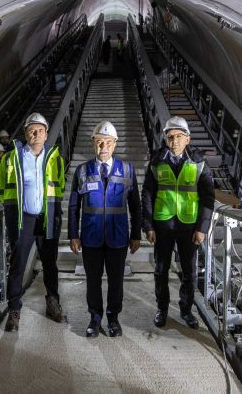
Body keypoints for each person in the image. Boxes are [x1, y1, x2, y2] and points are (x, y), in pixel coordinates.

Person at [68, 121, 141, 338]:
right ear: (93, 143)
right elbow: (73, 206)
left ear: (115, 144)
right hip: (91, 238)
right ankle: (94, 318)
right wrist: (73, 234)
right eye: (99, 142)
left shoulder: (127, 170)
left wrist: (136, 234)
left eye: (108, 142)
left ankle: (113, 318)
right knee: (93, 281)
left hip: (118, 238)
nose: (103, 147)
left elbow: (136, 206)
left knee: (116, 281)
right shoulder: (82, 171)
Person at [141, 116, 215, 329]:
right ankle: (162, 309)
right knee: (160, 271)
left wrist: (202, 228)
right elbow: (147, 194)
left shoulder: (199, 163)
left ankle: (185, 310)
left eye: (179, 137)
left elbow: (208, 198)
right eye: (170, 137)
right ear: (165, 139)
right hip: (163, 225)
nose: (174, 141)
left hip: (189, 227)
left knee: (189, 272)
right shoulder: (156, 162)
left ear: (188, 140)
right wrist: (148, 226)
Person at [0, 113, 66, 331]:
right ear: (26, 133)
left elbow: (59, 187)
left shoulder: (55, 158)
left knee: (50, 263)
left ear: (46, 134)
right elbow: (1, 188)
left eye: (40, 130)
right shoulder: (12, 158)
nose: (36, 134)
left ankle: (52, 301)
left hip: (46, 217)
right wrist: (13, 211)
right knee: (17, 265)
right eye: (31, 130)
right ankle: (14, 309)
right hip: (22, 219)